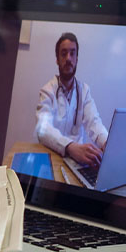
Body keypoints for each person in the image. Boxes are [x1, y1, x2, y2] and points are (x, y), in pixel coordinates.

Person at [35, 32, 108, 168]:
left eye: (72, 53)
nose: (68, 58)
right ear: (57, 59)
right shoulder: (47, 90)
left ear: (77, 58)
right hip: (52, 157)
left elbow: (94, 123)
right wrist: (69, 146)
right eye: (63, 53)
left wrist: (107, 143)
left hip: (78, 162)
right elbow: (42, 129)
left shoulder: (84, 91)